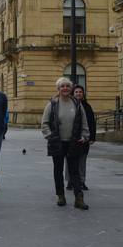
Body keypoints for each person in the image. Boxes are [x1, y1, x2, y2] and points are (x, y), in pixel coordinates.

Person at [41, 77, 90, 210]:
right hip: (57, 142)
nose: (65, 89)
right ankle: (60, 195)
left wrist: (85, 136)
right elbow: (44, 124)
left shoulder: (77, 104)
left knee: (75, 171)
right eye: (62, 86)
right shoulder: (52, 104)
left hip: (74, 142)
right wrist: (50, 136)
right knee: (58, 170)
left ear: (71, 88)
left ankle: (78, 198)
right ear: (58, 89)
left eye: (67, 86)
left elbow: (84, 122)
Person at [65, 85, 95, 191]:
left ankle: (82, 181)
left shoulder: (87, 106)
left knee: (82, 161)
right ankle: (70, 181)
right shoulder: (68, 105)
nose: (78, 93)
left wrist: (92, 138)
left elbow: (92, 123)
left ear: (83, 94)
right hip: (70, 138)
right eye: (76, 92)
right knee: (69, 161)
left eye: (80, 92)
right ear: (73, 94)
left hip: (84, 138)